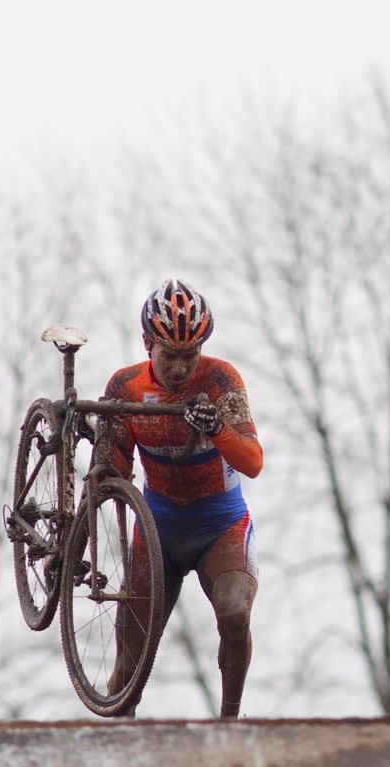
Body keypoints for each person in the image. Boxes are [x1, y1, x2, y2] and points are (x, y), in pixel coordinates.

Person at [104, 278, 263, 718]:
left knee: (235, 614)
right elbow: (114, 476)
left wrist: (217, 427)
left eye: (188, 356)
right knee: (129, 667)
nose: (178, 368)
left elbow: (252, 461)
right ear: (146, 344)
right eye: (168, 355)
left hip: (220, 524)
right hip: (158, 526)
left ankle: (229, 718)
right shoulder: (126, 386)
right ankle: (119, 740)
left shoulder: (218, 377)